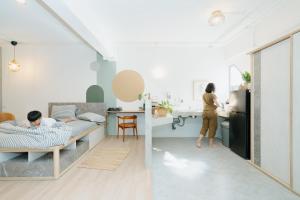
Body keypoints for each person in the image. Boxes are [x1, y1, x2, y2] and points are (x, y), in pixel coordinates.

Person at [196, 83, 220, 148]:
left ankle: (198, 141)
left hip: (205, 112)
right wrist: (216, 106)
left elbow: (204, 105)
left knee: (204, 127)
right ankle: (210, 143)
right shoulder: (213, 95)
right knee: (212, 127)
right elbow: (218, 104)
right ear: (213, 88)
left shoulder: (204, 95)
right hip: (212, 113)